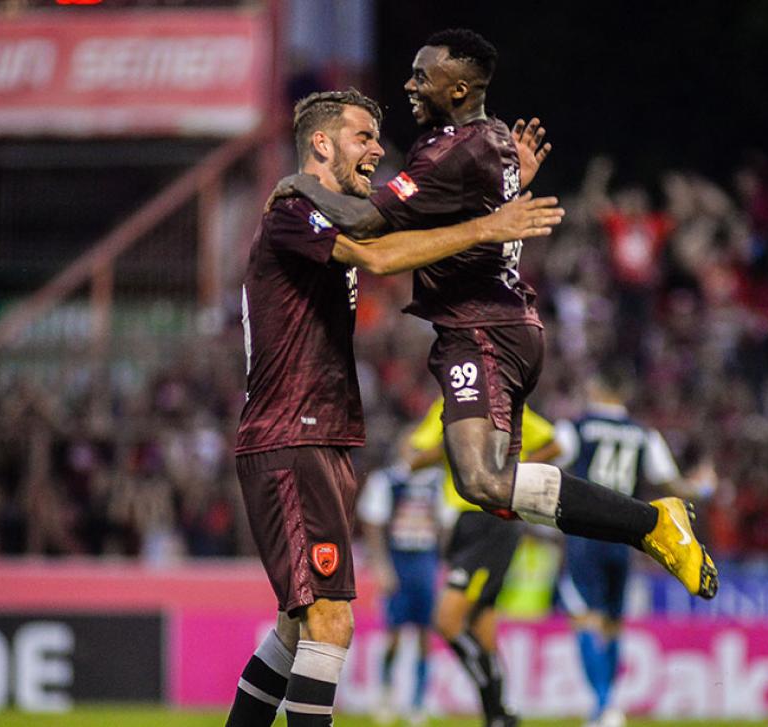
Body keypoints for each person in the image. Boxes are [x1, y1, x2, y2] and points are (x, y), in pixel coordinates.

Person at [275, 29, 718, 601]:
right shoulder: (494, 140)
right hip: (503, 324)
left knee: (483, 481)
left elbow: (364, 223)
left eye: (421, 76)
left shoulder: (449, 150)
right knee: (498, 493)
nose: (409, 85)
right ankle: (647, 528)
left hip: (481, 329)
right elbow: (464, 203)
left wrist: (297, 186)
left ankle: (654, 525)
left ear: (457, 88)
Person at [225, 88, 563, 727]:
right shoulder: (297, 209)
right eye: (363, 136)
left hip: (318, 436)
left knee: (296, 631)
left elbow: (425, 233)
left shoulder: (338, 213)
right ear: (321, 143)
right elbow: (382, 256)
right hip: (292, 435)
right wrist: (492, 224)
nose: (379, 149)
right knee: (331, 621)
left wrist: (499, 194)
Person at [553, 369, 716, 727]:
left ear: (596, 388)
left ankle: (602, 705)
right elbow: (672, 484)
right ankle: (608, 709)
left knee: (584, 618)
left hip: (584, 536)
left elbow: (550, 461)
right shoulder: (645, 435)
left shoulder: (575, 427)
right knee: (613, 623)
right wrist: (704, 488)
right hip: (624, 539)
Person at [408, 397, 562, 727]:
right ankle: (498, 714)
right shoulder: (446, 404)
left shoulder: (501, 405)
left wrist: (511, 478)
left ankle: (496, 703)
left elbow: (553, 445)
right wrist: (451, 450)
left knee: (447, 620)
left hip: (491, 520)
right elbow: (414, 456)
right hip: (466, 522)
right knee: (482, 622)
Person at [357, 457, 445, 726]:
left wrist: (440, 562)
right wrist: (382, 565)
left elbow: (445, 523)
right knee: (393, 634)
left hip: (425, 560)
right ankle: (385, 694)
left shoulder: (437, 481)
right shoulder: (388, 480)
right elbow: (372, 522)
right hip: (399, 560)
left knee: (425, 634)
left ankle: (418, 703)